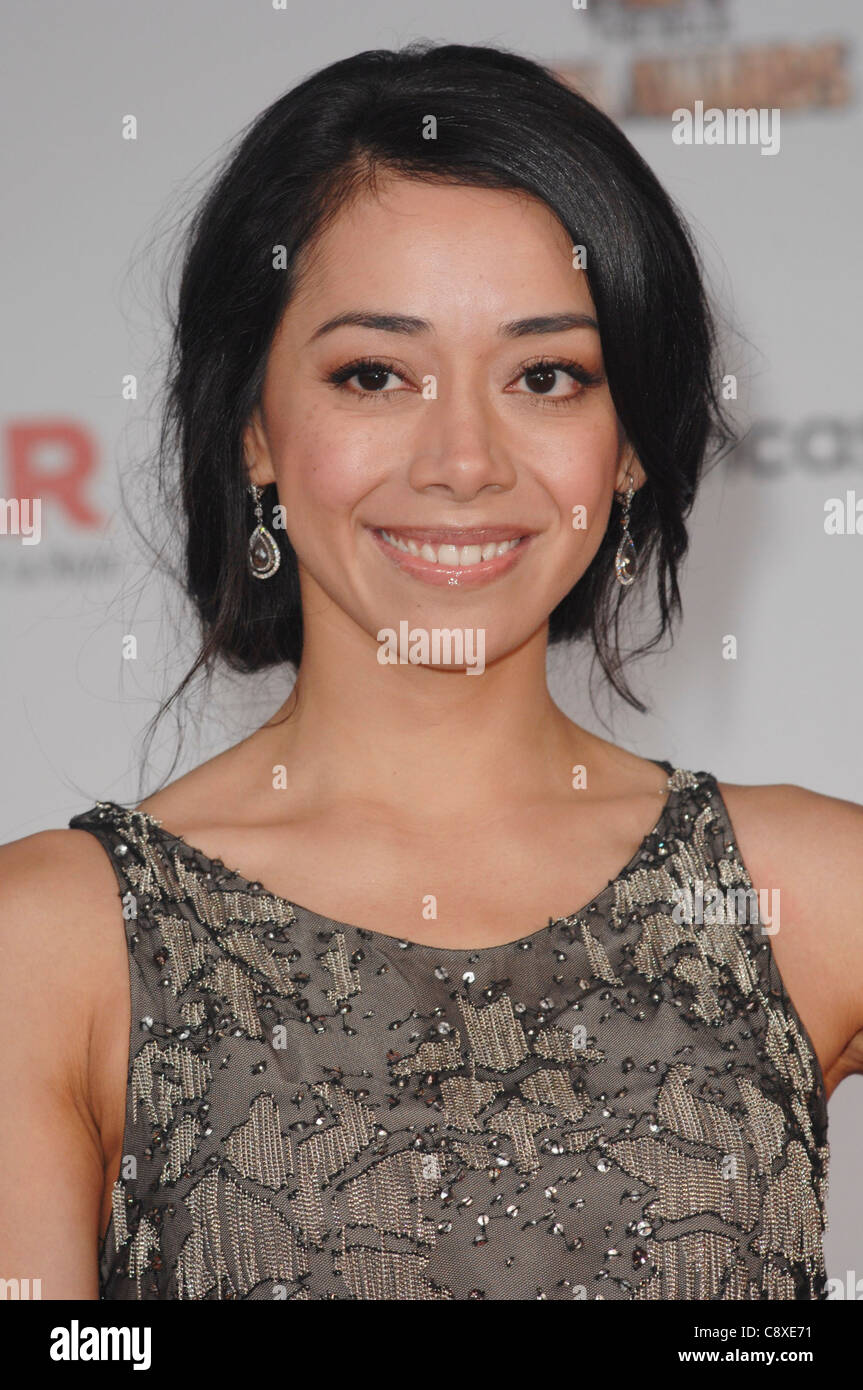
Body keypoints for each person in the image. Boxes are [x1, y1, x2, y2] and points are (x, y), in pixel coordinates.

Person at [1, 40, 860, 1302]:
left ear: (625, 445)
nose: (463, 459)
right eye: (373, 374)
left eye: (545, 375)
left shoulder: (813, 894)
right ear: (252, 429)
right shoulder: (53, 943)